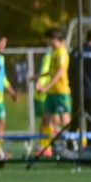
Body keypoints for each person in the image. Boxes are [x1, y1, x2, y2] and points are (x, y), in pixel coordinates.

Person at [35, 28, 72, 156]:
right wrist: (38, 77)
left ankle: (72, 143)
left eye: (48, 39)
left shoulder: (61, 51)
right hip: (52, 92)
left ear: (54, 39)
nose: (47, 42)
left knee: (64, 118)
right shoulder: (53, 52)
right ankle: (45, 147)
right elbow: (52, 71)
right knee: (46, 118)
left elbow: (60, 71)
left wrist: (46, 86)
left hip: (61, 91)